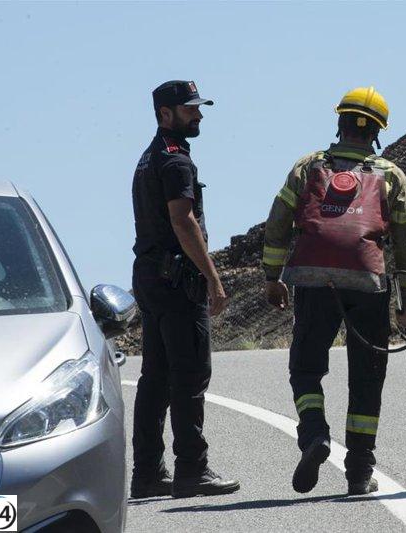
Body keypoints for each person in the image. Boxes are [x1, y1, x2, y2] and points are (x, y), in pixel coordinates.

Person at [262, 87, 406, 495]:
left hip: (314, 280)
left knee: (305, 367)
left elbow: (279, 219)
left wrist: (273, 275)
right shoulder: (392, 175)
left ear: (340, 123)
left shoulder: (308, 166)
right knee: (367, 375)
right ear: (376, 132)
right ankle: (359, 471)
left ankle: (314, 433)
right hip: (368, 283)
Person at [130, 80, 240, 499]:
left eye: (198, 107)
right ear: (165, 114)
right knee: (190, 373)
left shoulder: (149, 156)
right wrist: (212, 278)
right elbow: (183, 221)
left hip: (151, 276)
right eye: (190, 109)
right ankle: (192, 469)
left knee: (155, 376)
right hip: (177, 282)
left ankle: (147, 474)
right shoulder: (175, 161)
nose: (198, 115)